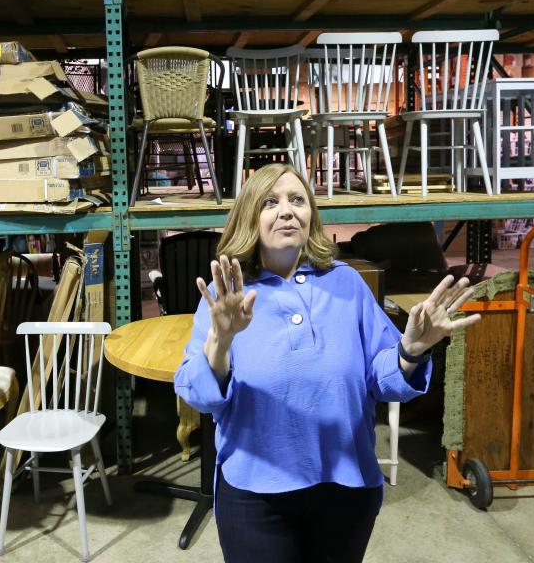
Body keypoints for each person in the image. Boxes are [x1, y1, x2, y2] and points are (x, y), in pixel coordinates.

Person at [174, 163, 481, 563]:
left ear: (311, 215)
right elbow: (199, 395)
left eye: (297, 200)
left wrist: (412, 350)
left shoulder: (346, 283)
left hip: (346, 488)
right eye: (270, 202)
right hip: (255, 496)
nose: (287, 210)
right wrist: (221, 339)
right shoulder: (226, 297)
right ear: (250, 217)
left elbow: (382, 379)